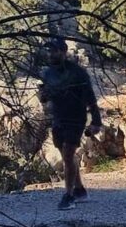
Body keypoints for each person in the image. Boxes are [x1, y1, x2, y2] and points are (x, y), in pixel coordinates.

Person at [38, 38, 102, 210]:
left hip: (76, 118)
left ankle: (68, 195)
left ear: (63, 52)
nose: (51, 54)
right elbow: (45, 97)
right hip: (58, 118)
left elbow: (91, 98)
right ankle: (80, 190)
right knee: (66, 155)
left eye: (54, 51)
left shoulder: (78, 73)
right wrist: (43, 95)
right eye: (49, 51)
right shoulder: (48, 73)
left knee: (67, 154)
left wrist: (96, 121)